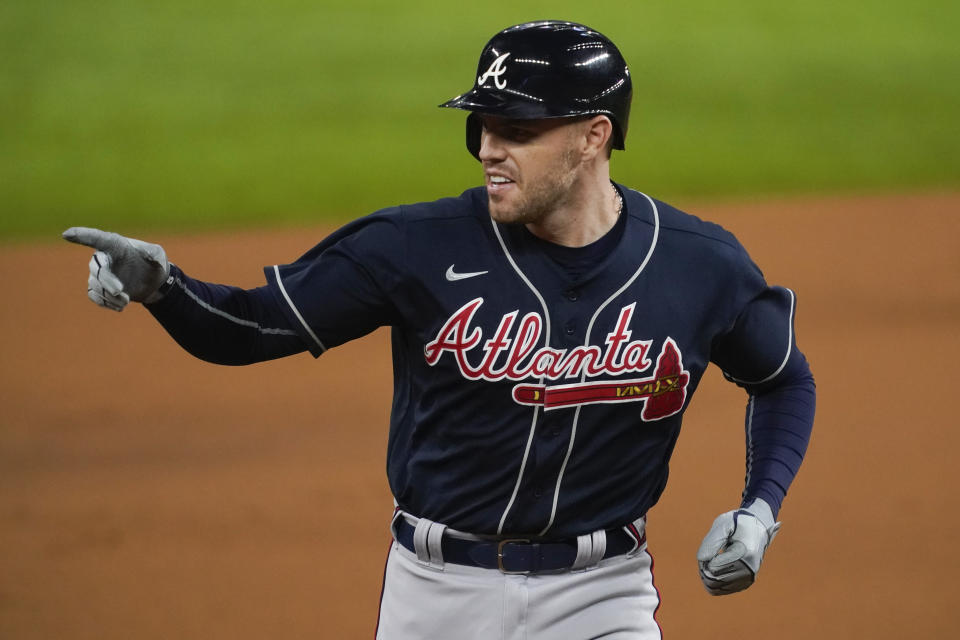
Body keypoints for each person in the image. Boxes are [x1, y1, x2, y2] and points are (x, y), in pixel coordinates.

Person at [64, 20, 815, 640]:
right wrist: (163, 286)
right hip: (436, 599)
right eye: (484, 127)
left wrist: (760, 508)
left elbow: (782, 376)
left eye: (519, 129)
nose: (491, 147)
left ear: (595, 136)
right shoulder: (413, 247)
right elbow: (252, 329)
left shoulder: (698, 265)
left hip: (603, 597)